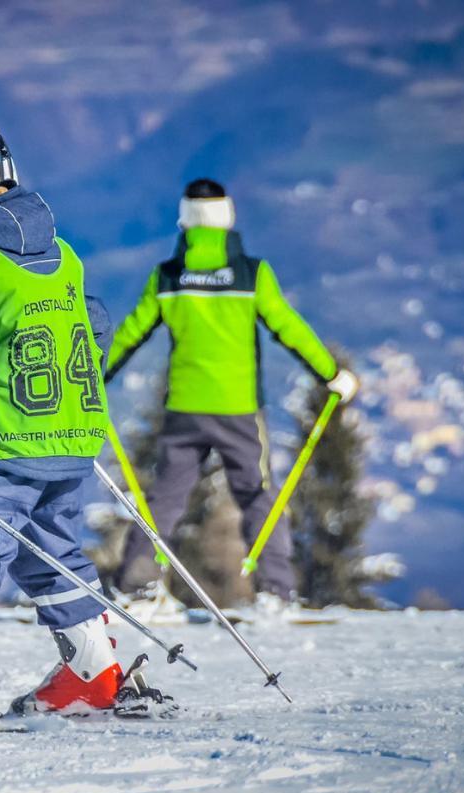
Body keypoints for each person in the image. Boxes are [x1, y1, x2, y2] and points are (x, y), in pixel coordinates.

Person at [0, 123, 172, 730]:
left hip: (8, 441)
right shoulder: (63, 253)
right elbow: (94, 332)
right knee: (53, 551)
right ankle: (94, 671)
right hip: (71, 436)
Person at [105, 178, 358, 606]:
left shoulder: (168, 276)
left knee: (165, 498)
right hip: (238, 408)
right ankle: (275, 591)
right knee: (258, 496)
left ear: (184, 219)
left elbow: (132, 333)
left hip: (185, 407)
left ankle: (136, 585)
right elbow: (288, 328)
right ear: (228, 216)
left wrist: (92, 375)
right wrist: (331, 373)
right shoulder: (250, 273)